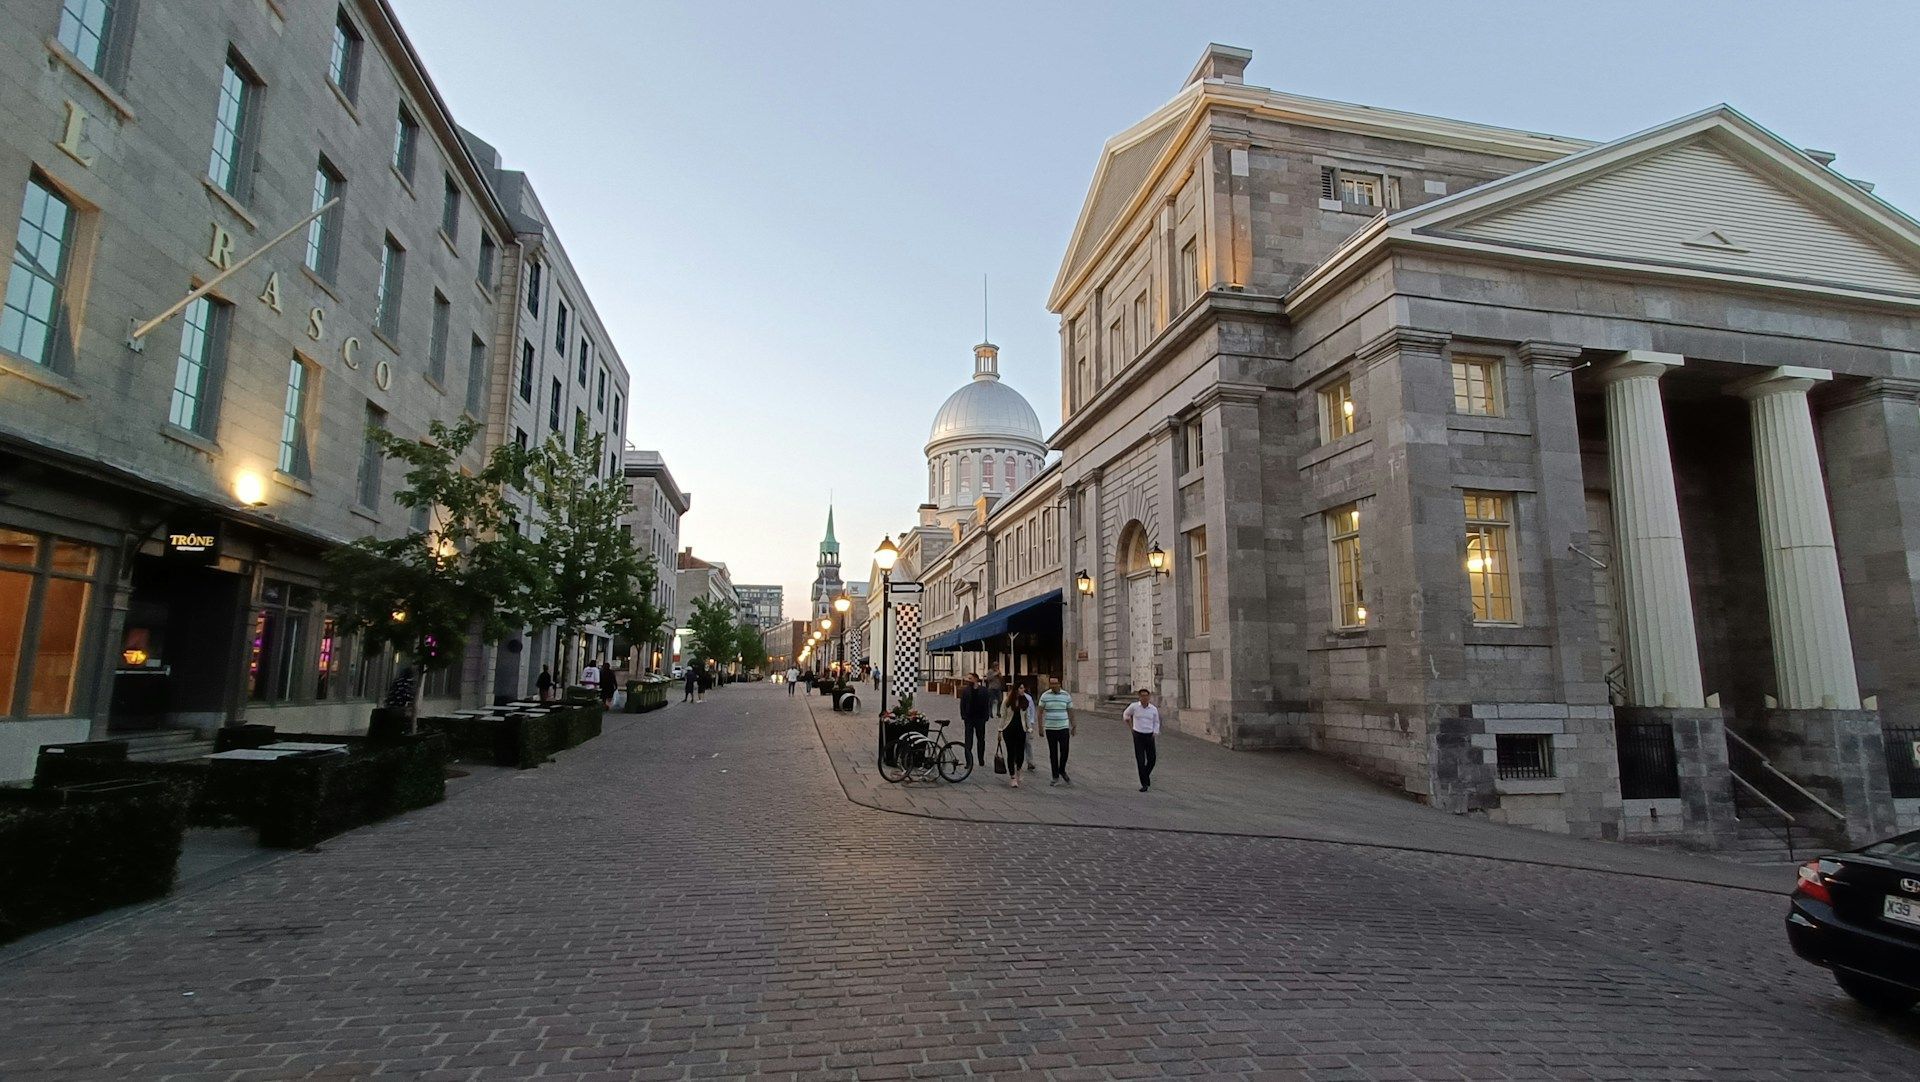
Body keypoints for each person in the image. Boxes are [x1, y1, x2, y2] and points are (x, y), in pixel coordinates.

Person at [1037, 676, 1073, 785]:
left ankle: (1062, 769)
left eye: (1055, 683)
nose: (1053, 686)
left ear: (1059, 683)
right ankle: (1055, 775)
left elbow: (1070, 710)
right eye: (1051, 684)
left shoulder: (1065, 695)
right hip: (1050, 728)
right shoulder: (1045, 696)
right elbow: (1040, 712)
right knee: (1053, 752)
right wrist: (1040, 728)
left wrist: (1074, 724)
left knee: (1065, 750)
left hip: (1063, 727)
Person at [1124, 686, 1161, 792]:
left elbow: (1156, 721)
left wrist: (1155, 732)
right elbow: (1126, 715)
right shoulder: (1134, 707)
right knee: (1140, 760)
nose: (1144, 698)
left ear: (1149, 697)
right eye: (1142, 696)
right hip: (1138, 735)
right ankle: (1144, 783)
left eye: (1146, 696)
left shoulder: (1153, 709)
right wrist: (1131, 728)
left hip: (1149, 735)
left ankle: (1145, 775)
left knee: (1152, 759)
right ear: (1139, 697)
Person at [1002, 680, 1034, 788]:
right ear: (1016, 690)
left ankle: (1019, 770)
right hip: (1008, 730)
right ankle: (1012, 777)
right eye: (1020, 688)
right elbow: (1003, 717)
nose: (1023, 690)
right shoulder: (1007, 701)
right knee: (1011, 753)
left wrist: (1029, 728)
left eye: (1023, 688)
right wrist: (999, 730)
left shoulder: (1025, 701)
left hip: (1021, 730)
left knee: (1020, 753)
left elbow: (1027, 716)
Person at [957, 672, 990, 771]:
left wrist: (986, 716)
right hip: (969, 718)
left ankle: (981, 759)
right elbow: (962, 704)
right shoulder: (966, 690)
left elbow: (987, 704)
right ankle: (968, 761)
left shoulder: (984, 690)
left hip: (980, 718)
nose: (968, 680)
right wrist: (963, 716)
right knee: (968, 741)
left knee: (981, 739)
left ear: (976, 679)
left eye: (970, 678)